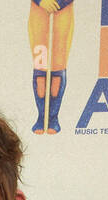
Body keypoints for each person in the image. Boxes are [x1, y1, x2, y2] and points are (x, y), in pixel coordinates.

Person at [28, 0, 76, 134]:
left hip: (62, 13)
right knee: (40, 63)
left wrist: (61, 2)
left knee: (58, 64)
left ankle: (53, 117)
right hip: (39, 13)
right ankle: (42, 116)